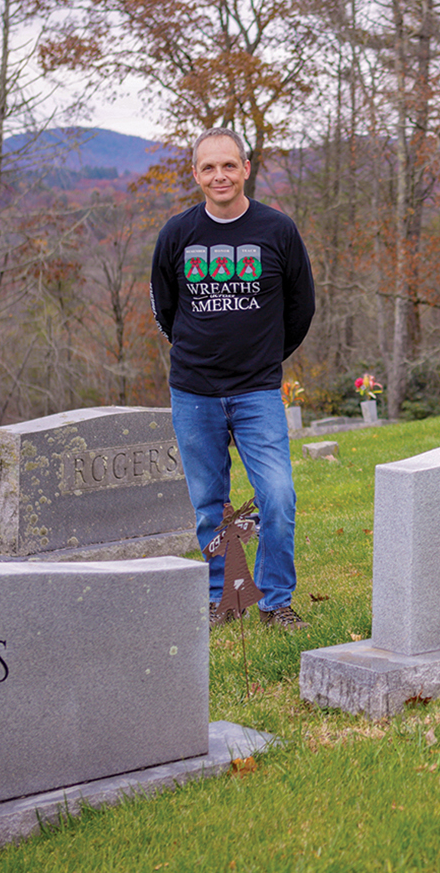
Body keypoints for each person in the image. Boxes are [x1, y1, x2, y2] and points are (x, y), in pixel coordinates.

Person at [150, 127, 316, 630]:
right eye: (208, 167)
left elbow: (301, 307)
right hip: (194, 391)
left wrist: (265, 356)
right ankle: (222, 599)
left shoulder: (277, 230)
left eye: (229, 165)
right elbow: (164, 308)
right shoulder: (177, 235)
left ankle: (275, 602)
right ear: (196, 175)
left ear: (246, 169)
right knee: (209, 503)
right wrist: (199, 353)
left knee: (278, 497)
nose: (219, 175)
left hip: (257, 391)